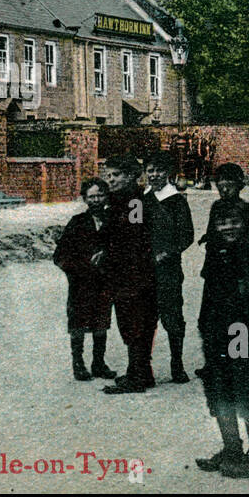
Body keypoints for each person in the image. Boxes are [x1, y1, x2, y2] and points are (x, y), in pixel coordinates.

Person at [194, 192, 249, 479]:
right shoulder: (215, 251)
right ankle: (231, 449)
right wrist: (205, 326)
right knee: (219, 390)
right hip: (215, 332)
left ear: (244, 223)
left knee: (247, 390)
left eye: (234, 221)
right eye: (221, 223)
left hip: (239, 332)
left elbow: (248, 298)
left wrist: (224, 315)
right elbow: (208, 293)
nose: (228, 227)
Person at [100, 155, 158, 394]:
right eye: (109, 175)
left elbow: (133, 237)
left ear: (130, 176)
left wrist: (109, 253)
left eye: (116, 175)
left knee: (134, 324)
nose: (110, 179)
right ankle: (142, 373)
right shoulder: (117, 201)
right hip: (125, 272)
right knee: (132, 323)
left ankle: (138, 376)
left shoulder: (134, 202)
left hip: (133, 274)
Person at [53, 178, 117, 381]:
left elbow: (122, 248)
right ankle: (78, 364)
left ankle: (98, 363)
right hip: (81, 284)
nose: (96, 200)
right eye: (91, 196)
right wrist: (80, 268)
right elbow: (60, 256)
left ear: (106, 197)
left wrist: (107, 255)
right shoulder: (77, 223)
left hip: (104, 283)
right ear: (85, 199)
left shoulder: (113, 221)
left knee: (101, 323)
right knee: (78, 323)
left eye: (100, 195)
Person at [144, 151, 195, 384]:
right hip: (144, 270)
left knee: (172, 317)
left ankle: (177, 363)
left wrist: (166, 253)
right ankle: (144, 367)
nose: (154, 175)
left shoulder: (177, 201)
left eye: (159, 170)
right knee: (145, 319)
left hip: (168, 270)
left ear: (168, 174)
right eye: (150, 170)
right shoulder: (140, 200)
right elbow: (134, 231)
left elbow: (187, 236)